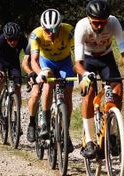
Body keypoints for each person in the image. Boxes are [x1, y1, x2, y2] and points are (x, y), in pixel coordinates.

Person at [74, 0, 124, 158]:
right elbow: (77, 63)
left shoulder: (113, 22)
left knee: (117, 89)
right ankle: (89, 141)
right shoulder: (82, 26)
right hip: (87, 61)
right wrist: (85, 74)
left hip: (106, 59)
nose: (99, 26)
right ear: (89, 19)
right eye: (96, 23)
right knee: (89, 94)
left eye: (102, 23)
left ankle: (111, 132)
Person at [30, 8, 75, 152]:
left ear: (60, 26)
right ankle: (45, 122)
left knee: (67, 95)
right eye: (47, 30)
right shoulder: (36, 35)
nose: (51, 33)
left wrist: (82, 70)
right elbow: (34, 60)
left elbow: (78, 53)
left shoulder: (68, 31)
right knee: (48, 81)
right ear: (42, 27)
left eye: (54, 29)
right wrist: (39, 73)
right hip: (47, 62)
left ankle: (65, 133)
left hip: (65, 62)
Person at [0, 22, 28, 118]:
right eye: (10, 40)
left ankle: (17, 117)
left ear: (18, 37)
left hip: (14, 63)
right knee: (0, 80)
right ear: (5, 38)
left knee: (18, 87)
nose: (13, 42)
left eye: (15, 39)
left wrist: (31, 72)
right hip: (1, 62)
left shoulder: (23, 40)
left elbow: (29, 56)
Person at [21, 42, 40, 142]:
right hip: (36, 73)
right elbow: (24, 63)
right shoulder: (32, 43)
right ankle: (32, 123)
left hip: (50, 71)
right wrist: (30, 72)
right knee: (36, 93)